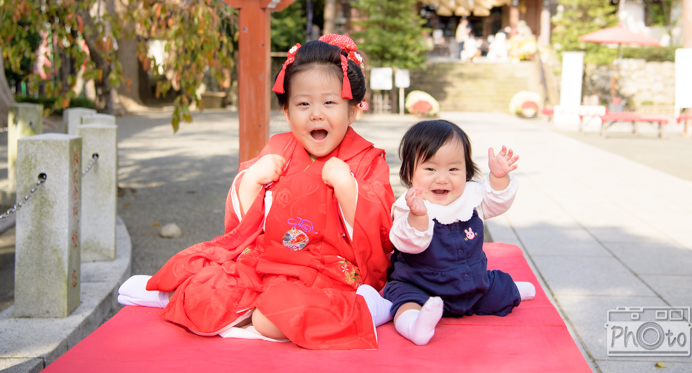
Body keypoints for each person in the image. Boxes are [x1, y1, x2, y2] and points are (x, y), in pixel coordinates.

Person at [119, 35, 396, 350]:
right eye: (303, 104)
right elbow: (245, 223)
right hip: (269, 260)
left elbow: (382, 230)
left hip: (329, 269)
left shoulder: (367, 158)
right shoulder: (279, 146)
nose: (316, 114)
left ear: (353, 110)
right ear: (287, 111)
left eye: (329, 103)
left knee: (276, 315)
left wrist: (348, 186)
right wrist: (252, 179)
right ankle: (187, 295)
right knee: (207, 293)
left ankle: (369, 308)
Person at [382, 120, 536, 346]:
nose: (443, 178)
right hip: (420, 285)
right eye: (430, 169)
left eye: (453, 169)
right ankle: (416, 325)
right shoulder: (410, 206)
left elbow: (498, 202)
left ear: (467, 170)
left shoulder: (471, 198)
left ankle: (511, 289)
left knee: (496, 286)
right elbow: (409, 243)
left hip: (471, 285)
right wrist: (419, 217)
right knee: (403, 300)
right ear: (409, 173)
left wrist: (499, 178)